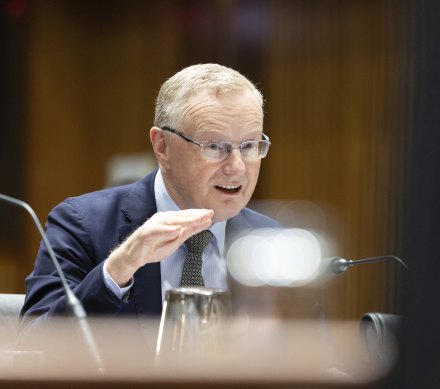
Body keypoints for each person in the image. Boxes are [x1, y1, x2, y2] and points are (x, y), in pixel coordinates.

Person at [20, 64, 280, 327]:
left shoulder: (272, 241)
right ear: (163, 146)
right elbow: (34, 343)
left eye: (249, 146)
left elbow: (317, 355)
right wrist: (118, 268)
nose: (236, 166)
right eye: (214, 146)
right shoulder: (82, 224)